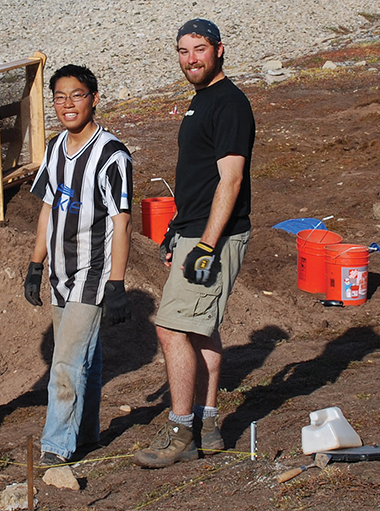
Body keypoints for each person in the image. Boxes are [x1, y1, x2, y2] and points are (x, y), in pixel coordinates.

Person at [133, 19, 255, 469]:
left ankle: (181, 430)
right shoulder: (202, 101)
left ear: (219, 50)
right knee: (200, 328)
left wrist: (205, 244)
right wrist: (177, 231)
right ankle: (207, 425)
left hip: (213, 238)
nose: (191, 59)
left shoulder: (229, 104)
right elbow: (200, 179)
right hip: (195, 230)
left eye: (199, 49)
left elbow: (231, 178)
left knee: (171, 328)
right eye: (183, 51)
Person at [24, 64, 133, 466]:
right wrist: (36, 266)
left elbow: (122, 221)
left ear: (95, 99)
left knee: (66, 362)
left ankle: (56, 445)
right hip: (60, 273)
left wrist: (117, 283)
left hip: (93, 274)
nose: (68, 104)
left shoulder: (112, 156)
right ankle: (85, 434)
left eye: (78, 95)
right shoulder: (54, 149)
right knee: (86, 356)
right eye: (60, 97)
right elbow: (48, 208)